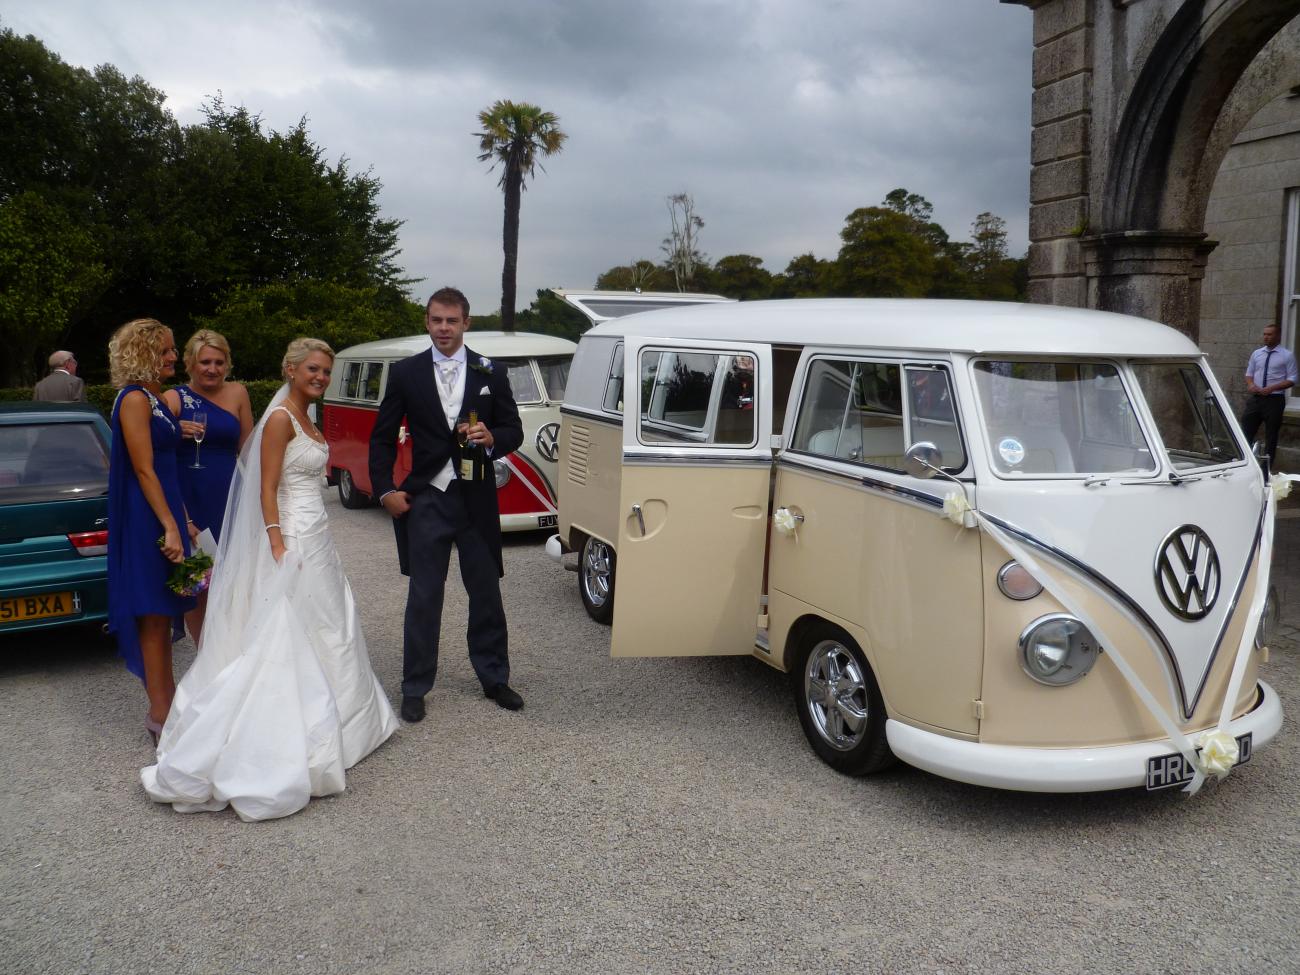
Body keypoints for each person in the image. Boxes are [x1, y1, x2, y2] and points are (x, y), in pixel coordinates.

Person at [141, 338, 397, 822]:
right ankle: (287, 734)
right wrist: (277, 543)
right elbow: (265, 486)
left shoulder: (308, 419)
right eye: (313, 370)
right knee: (291, 628)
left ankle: (348, 721)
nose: (320, 378)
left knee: (329, 621)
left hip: (319, 535)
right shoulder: (279, 419)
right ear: (291, 370)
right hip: (294, 535)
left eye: (326, 371)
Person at [369, 286, 525, 722]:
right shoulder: (405, 373)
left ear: (466, 323)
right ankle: (415, 686)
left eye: (451, 321)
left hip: (475, 500)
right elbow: (381, 437)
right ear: (427, 321)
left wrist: (494, 438)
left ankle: (494, 677)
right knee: (424, 595)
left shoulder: (490, 371)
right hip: (427, 499)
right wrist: (385, 490)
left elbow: (514, 429)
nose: (443, 328)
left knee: (486, 592)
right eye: (436, 320)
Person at [106, 320, 196, 744]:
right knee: (153, 615)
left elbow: (165, 467)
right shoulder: (132, 400)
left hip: (164, 512)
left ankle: (169, 702)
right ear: (144, 353)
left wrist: (182, 519)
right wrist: (167, 526)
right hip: (146, 519)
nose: (174, 356)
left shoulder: (154, 397)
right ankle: (161, 711)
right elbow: (143, 469)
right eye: (167, 350)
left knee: (164, 612)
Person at [163, 329, 253, 642]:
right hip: (191, 501)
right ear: (190, 363)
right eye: (204, 362)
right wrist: (174, 430)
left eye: (218, 361)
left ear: (227, 363)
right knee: (199, 586)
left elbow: (249, 450)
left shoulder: (239, 393)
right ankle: (206, 657)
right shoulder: (173, 398)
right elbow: (156, 457)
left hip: (231, 497)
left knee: (237, 583)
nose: (212, 368)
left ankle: (233, 651)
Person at [1241, 323, 1297, 472]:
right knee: (1245, 431)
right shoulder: (1257, 353)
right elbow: (1249, 373)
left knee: (1271, 436)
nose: (1266, 337)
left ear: (1278, 336)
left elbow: (1293, 379)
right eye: (1264, 334)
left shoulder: (1287, 355)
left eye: (1269, 334)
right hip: (1256, 399)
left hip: (1274, 400)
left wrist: (1272, 388)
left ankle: (1266, 471)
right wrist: (1250, 384)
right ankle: (1244, 466)